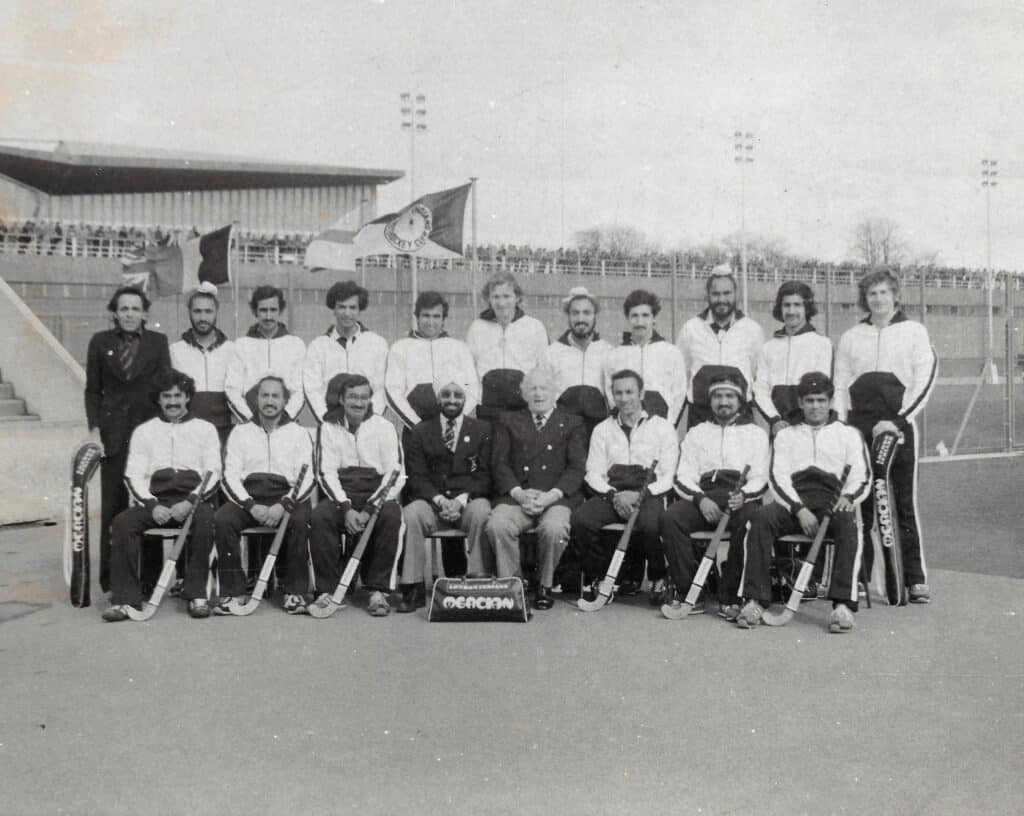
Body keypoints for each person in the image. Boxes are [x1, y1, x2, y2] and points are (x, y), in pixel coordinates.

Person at [834, 268, 937, 603]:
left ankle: (915, 579)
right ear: (865, 298)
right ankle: (860, 577)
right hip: (859, 428)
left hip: (898, 427)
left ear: (895, 295)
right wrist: (842, 425)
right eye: (871, 293)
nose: (877, 299)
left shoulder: (914, 331)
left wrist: (898, 419)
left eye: (883, 292)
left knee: (903, 504)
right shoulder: (851, 336)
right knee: (860, 503)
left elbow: (924, 379)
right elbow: (840, 383)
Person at [738, 372, 870, 632]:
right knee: (761, 519)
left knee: (848, 521)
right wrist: (798, 509)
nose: (815, 406)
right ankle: (755, 600)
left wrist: (848, 496)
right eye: (809, 400)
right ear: (800, 402)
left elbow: (861, 476)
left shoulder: (848, 434)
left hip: (832, 500)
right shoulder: (786, 435)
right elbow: (778, 478)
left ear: (830, 401)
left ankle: (842, 606)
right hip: (796, 502)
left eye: (821, 400)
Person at [102, 369, 222, 621]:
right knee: (122, 523)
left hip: (192, 499)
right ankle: (126, 600)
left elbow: (214, 472)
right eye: (166, 396)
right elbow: (133, 475)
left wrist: (190, 502)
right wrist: (151, 504)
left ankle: (196, 594)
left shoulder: (206, 429)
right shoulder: (144, 431)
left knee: (207, 519)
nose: (173, 402)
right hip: (156, 499)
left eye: (178, 395)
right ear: (158, 399)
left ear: (188, 397)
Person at [659, 372, 769, 618]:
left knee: (751, 521)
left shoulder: (755, 433)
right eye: (718, 396)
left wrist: (744, 495)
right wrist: (700, 499)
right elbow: (682, 476)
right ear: (710, 401)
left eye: (730, 396)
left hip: (740, 497)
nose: (724, 401)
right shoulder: (697, 432)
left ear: (740, 401)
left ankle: (730, 596)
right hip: (705, 495)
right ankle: (691, 593)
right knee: (670, 518)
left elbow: (761, 477)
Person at [84, 285, 172, 592]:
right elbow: (92, 390)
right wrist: (95, 429)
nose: (130, 314)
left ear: (145, 313)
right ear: (115, 313)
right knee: (114, 507)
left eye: (135, 309)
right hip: (113, 437)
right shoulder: (100, 342)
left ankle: (150, 579)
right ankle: (112, 579)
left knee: (150, 503)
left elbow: (166, 386)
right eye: (124, 309)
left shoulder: (158, 342)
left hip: (149, 434)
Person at [571, 369, 679, 605]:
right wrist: (613, 495)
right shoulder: (602, 429)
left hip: (648, 492)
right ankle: (601, 577)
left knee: (652, 525)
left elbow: (669, 475)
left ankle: (658, 578)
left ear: (641, 393)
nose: (624, 398)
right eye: (618, 393)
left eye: (629, 391)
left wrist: (640, 495)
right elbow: (593, 473)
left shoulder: (662, 427)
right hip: (614, 492)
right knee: (580, 520)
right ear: (612, 395)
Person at [484, 366, 587, 610]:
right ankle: (514, 584)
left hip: (555, 497)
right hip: (518, 496)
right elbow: (499, 463)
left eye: (544, 388)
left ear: (555, 392)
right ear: (523, 393)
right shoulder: (508, 421)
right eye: (533, 388)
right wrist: (519, 493)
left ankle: (545, 584)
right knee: (496, 525)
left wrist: (551, 496)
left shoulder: (572, 423)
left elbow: (576, 468)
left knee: (554, 528)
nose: (538, 394)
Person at [215, 374, 315, 614]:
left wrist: (284, 504)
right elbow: (229, 476)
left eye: (275, 396)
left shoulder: (298, 433)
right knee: (222, 518)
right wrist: (251, 506)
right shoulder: (241, 432)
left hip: (287, 496)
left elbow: (308, 477)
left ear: (284, 401)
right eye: (265, 395)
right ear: (256, 399)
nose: (270, 401)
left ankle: (295, 592)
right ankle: (234, 592)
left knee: (301, 520)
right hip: (250, 497)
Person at [309, 374, 406, 617]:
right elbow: (326, 472)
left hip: (376, 493)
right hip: (343, 493)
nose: (358, 403)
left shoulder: (384, 427)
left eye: (364, 397)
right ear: (341, 398)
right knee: (320, 516)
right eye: (352, 396)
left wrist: (371, 508)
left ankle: (378, 590)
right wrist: (346, 507)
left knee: (392, 514)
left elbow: (395, 472)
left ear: (370, 400)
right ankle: (327, 590)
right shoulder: (328, 427)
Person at [399, 378, 492, 612]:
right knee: (411, 513)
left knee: (482, 510)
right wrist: (440, 500)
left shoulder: (482, 430)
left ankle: (477, 580)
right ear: (438, 398)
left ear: (466, 399)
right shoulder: (420, 431)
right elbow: (417, 476)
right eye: (446, 394)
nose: (452, 400)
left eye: (458, 395)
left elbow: (485, 475)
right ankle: (413, 586)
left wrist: (460, 501)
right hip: (434, 503)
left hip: (467, 502)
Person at [677, 268, 764, 429]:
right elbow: (683, 373)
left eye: (727, 293)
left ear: (735, 295)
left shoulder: (752, 329)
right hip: (701, 414)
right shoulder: (690, 328)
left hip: (740, 414)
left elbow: (756, 373)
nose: (721, 299)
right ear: (707, 296)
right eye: (716, 294)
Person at [384, 290, 479, 435]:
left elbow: (472, 388)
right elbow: (392, 390)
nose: (430, 322)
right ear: (417, 317)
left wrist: (453, 423)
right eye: (426, 316)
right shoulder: (400, 347)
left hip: (452, 430)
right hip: (415, 429)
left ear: (443, 319)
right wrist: (416, 426)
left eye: (436, 316)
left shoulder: (459, 347)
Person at [753, 281, 833, 437]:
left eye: (797, 305)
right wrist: (775, 420)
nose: (791, 311)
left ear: (807, 308)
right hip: (778, 428)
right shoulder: (768, 347)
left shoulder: (822, 344)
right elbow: (760, 389)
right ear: (780, 308)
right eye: (786, 305)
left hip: (809, 428)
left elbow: (821, 390)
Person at [466, 271, 549, 422]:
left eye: (506, 296)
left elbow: (543, 370)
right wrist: (473, 403)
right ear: (488, 299)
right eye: (496, 297)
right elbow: (468, 370)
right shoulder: (477, 327)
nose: (501, 303)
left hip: (523, 408)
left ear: (517, 298)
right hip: (487, 408)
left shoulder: (534, 326)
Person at [304, 280, 389, 423]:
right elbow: (312, 389)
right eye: (342, 307)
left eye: (352, 307)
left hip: (367, 423)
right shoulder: (318, 346)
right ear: (334, 309)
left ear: (359, 309)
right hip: (330, 424)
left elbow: (381, 388)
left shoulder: (377, 344)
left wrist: (370, 421)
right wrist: (327, 420)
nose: (347, 313)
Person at [603, 289, 686, 425]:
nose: (639, 322)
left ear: (654, 318)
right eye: (634, 316)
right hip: (626, 426)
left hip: (661, 426)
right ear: (627, 318)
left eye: (645, 315)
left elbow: (679, 393)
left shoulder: (671, 352)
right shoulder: (614, 355)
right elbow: (610, 392)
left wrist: (669, 424)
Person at [224, 285, 306, 423]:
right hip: (250, 425)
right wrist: (250, 420)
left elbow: (299, 391)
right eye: (263, 310)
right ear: (255, 311)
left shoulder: (296, 345)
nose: (268, 316)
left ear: (280, 311)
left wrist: (284, 419)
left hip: (285, 425)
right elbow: (232, 389)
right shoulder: (241, 345)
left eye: (273, 310)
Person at [169, 282, 236, 446]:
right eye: (197, 311)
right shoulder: (174, 350)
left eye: (208, 311)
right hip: (186, 432)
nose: (203, 318)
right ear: (189, 313)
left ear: (216, 313)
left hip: (224, 432)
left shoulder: (233, 350)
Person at [541, 286, 613, 434]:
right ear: (568, 316)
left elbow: (612, 398)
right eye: (575, 313)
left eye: (586, 313)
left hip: (598, 431)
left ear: (595, 316)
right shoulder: (552, 352)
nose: (581, 319)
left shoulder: (607, 351)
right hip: (562, 432)